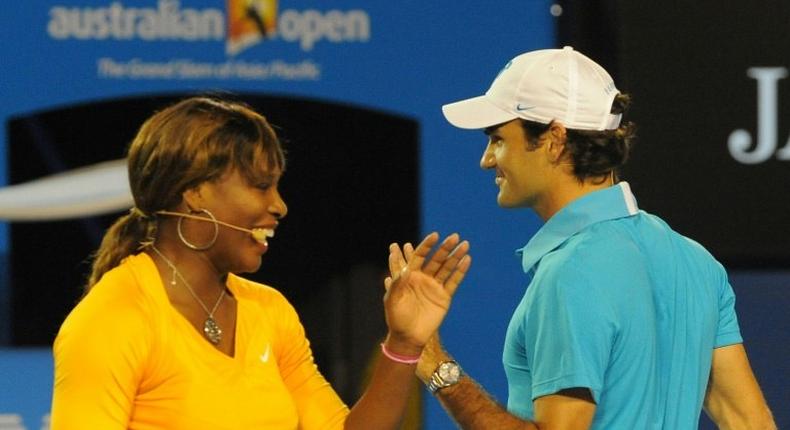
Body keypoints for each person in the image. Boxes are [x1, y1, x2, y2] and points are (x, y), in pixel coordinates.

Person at [389, 46, 777, 429]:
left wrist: (438, 368)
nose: (487, 159)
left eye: (498, 138)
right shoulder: (695, 260)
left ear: (554, 139)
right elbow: (751, 422)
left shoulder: (570, 273)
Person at [49, 96, 471, 429]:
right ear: (194, 193)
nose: (279, 206)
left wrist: (403, 345)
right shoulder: (112, 318)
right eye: (260, 186)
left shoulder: (269, 311)